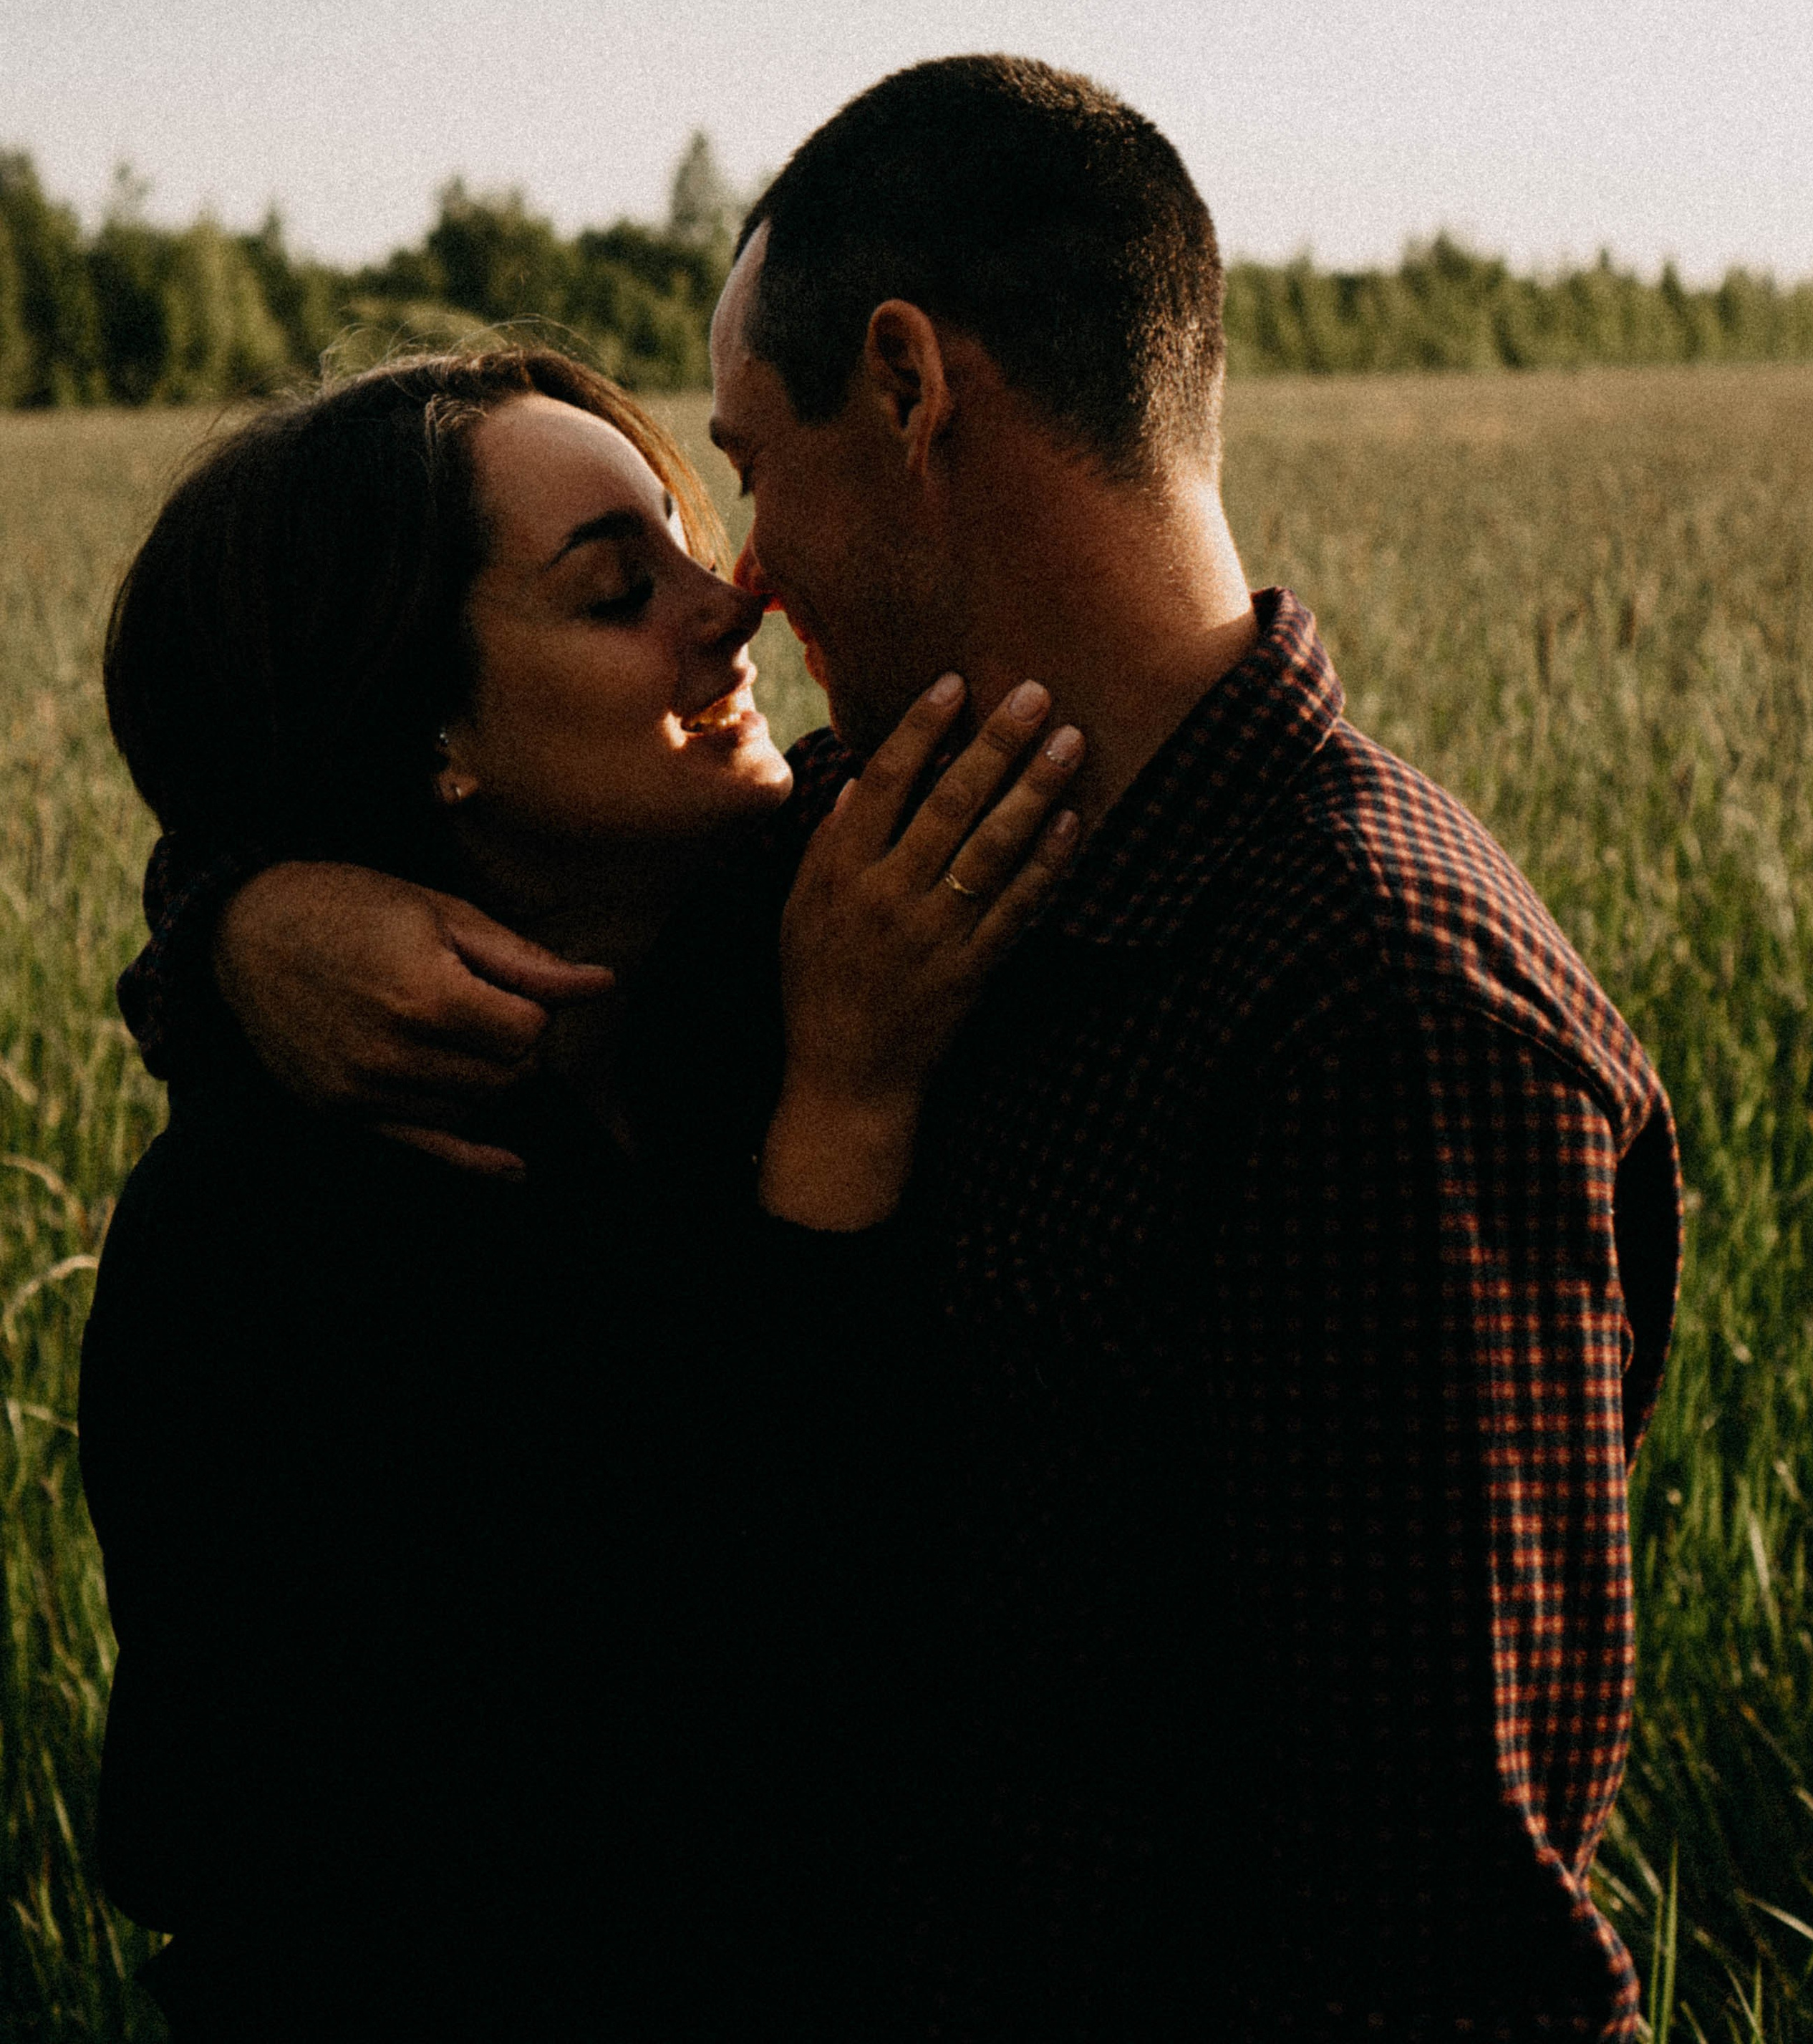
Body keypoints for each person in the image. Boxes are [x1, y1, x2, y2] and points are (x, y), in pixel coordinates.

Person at [122, 58, 1683, 2043]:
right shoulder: (864, 874)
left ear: (912, 387)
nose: (741, 585)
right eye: (639, 577)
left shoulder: (1377, 1010)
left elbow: (1452, 1946)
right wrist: (245, 911)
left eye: (743, 477)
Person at [82, 344, 1081, 2043]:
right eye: (622, 592)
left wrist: (228, 909)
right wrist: (840, 1122)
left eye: (695, 542)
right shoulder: (264, 1256)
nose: (735, 602)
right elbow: (686, 1749)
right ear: (429, 737)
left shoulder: (786, 934)